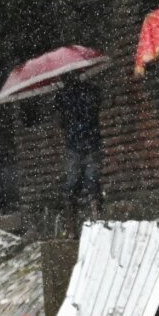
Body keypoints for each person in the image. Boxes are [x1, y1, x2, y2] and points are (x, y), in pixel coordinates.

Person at [54, 75, 105, 226]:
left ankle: (71, 227)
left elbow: (61, 123)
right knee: (92, 183)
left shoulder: (62, 96)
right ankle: (97, 220)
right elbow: (96, 110)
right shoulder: (91, 90)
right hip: (92, 142)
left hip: (75, 145)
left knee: (71, 187)